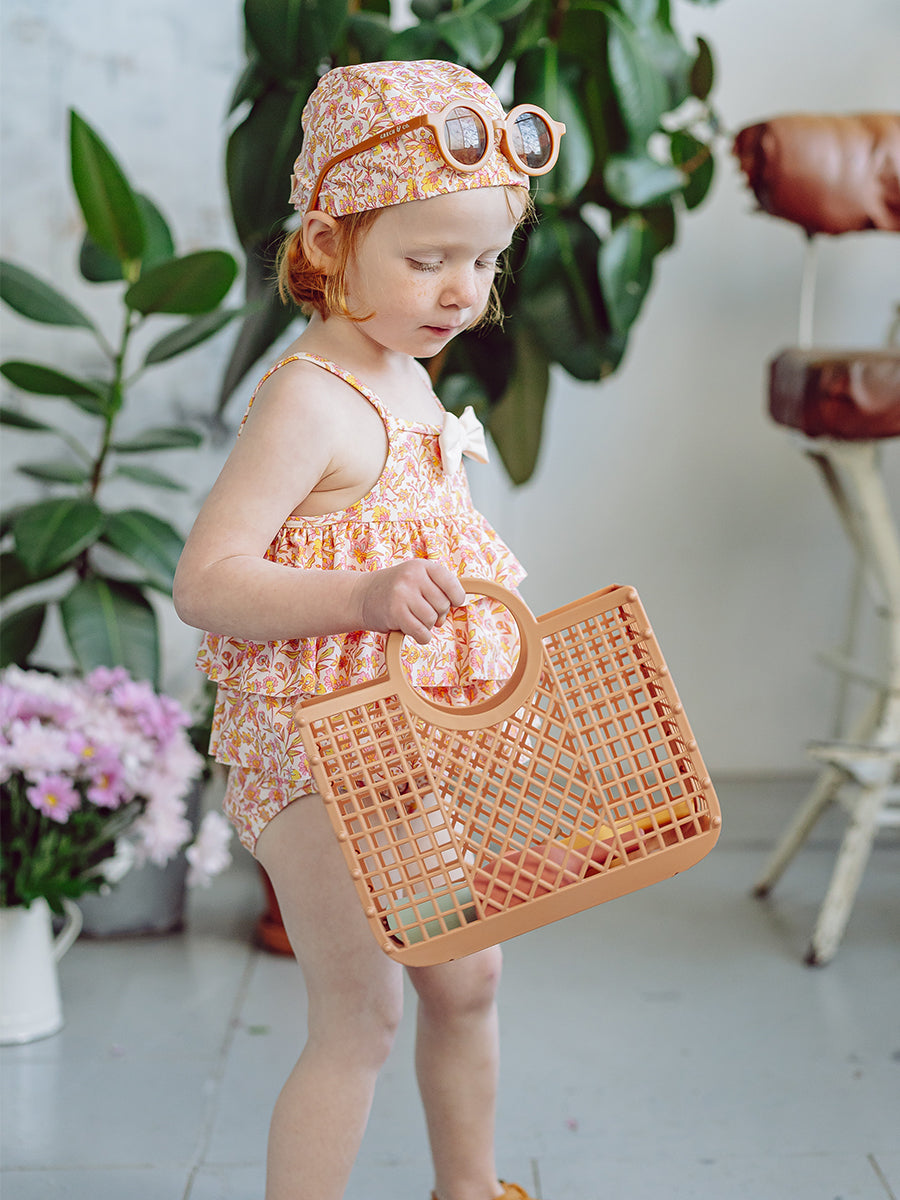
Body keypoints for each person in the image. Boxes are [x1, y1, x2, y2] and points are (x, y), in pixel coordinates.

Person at [174, 58, 565, 1200]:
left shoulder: (405, 374)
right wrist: (362, 594)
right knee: (360, 1015)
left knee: (469, 980)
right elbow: (208, 581)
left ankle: (469, 1189)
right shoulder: (309, 398)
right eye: (427, 259)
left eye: (483, 261)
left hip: (406, 740)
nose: (460, 291)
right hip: (314, 751)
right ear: (330, 242)